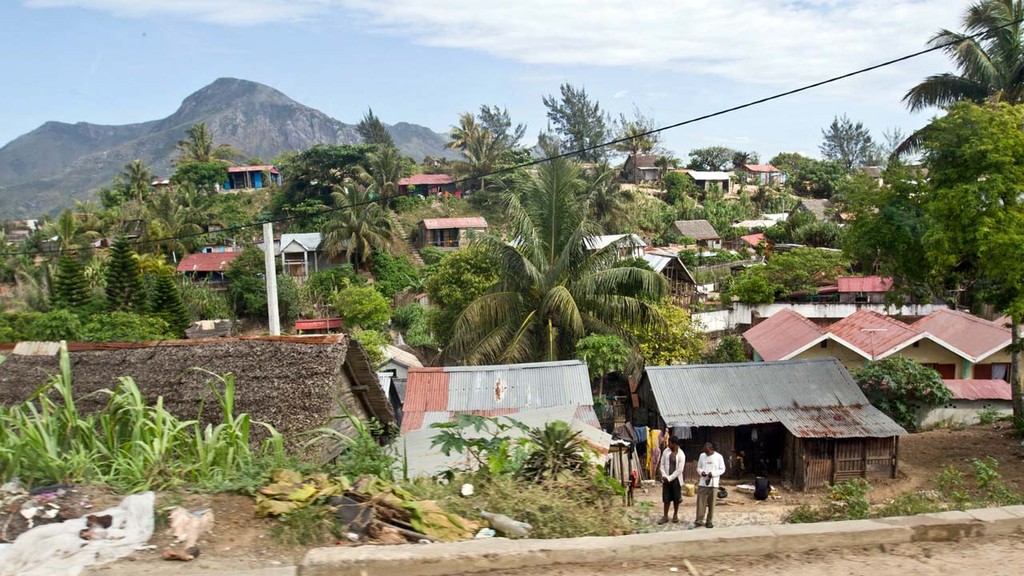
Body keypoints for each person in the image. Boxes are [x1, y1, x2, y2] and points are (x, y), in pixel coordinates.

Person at [694, 442, 726, 528]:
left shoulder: (719, 457)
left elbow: (722, 469)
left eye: (707, 451)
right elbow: (698, 467)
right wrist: (701, 472)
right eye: (705, 450)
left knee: (711, 504)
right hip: (703, 483)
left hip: (713, 483)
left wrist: (713, 474)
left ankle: (709, 521)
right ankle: (699, 520)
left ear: (712, 449)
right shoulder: (702, 456)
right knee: (701, 503)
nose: (706, 452)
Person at [657, 436, 685, 524]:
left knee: (676, 499)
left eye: (669, 443)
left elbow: (679, 470)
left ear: (674, 444)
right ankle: (665, 516)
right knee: (666, 498)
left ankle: (675, 515)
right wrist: (665, 476)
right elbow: (661, 464)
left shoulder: (681, 455)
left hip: (676, 480)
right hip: (666, 479)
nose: (668, 444)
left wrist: (670, 478)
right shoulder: (666, 452)